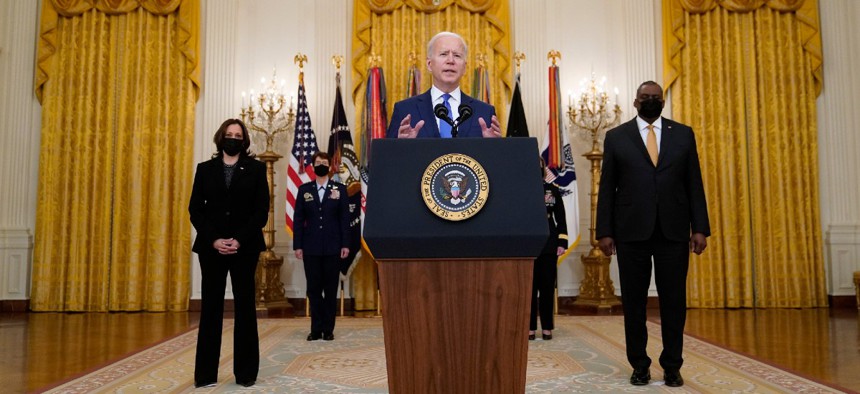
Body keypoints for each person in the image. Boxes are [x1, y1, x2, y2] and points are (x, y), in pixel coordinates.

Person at [595, 81, 710, 388]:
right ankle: (640, 365)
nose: (650, 102)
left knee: (674, 301)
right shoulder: (616, 137)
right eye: (645, 98)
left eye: (655, 98)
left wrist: (699, 227)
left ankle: (672, 365)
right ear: (635, 102)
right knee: (634, 303)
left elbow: (694, 183)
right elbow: (607, 187)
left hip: (673, 231)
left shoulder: (683, 134)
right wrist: (604, 231)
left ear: (662, 101)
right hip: (631, 232)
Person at [188, 118, 268, 388]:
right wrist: (214, 239)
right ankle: (206, 375)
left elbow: (261, 212)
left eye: (238, 135)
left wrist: (239, 240)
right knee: (211, 308)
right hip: (211, 249)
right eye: (229, 134)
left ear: (244, 141)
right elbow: (195, 210)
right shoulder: (205, 169)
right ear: (220, 138)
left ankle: (245, 374)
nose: (233, 138)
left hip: (244, 248)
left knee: (245, 308)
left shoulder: (256, 170)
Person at [386, 31, 502, 138]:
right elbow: (387, 158)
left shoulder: (485, 112)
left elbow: (497, 159)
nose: (450, 60)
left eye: (457, 55)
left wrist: (493, 146)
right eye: (443, 54)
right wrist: (401, 146)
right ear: (429, 64)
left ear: (465, 67)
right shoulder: (405, 110)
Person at [293, 151, 350, 341]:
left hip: (334, 247)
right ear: (313, 166)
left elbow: (344, 219)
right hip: (311, 248)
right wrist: (298, 245)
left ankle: (328, 329)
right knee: (314, 289)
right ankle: (316, 329)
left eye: (324, 162)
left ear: (330, 166)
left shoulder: (339, 189)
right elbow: (299, 219)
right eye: (318, 162)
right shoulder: (304, 190)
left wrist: (345, 244)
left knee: (330, 288)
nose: (321, 165)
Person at [530, 158, 568, 341]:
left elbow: (561, 219)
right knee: (529, 289)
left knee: (546, 288)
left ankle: (547, 327)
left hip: (549, 244)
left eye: (539, 167)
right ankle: (529, 328)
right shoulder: (522, 192)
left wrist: (562, 243)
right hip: (527, 245)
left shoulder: (552, 191)